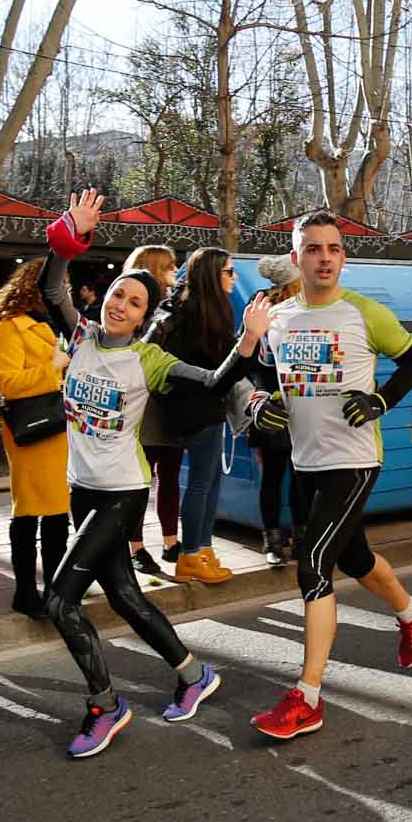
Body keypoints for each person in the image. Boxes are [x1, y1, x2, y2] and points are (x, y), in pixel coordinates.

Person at [32, 195, 260, 756]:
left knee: (60, 601)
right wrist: (70, 236)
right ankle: (193, 675)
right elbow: (51, 288)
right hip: (82, 488)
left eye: (135, 302)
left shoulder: (148, 360)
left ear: (143, 315)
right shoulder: (82, 335)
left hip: (122, 493)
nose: (122, 306)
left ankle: (105, 706)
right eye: (117, 295)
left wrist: (249, 341)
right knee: (126, 595)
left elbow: (211, 381)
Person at [241, 211, 412, 740]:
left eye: (332, 248)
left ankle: (307, 696)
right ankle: (410, 609)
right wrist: (260, 402)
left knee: (312, 563)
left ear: (343, 257)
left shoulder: (365, 313)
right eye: (313, 249)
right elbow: (262, 375)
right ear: (295, 258)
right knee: (353, 556)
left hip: (353, 460)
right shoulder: (279, 318)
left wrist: (378, 400)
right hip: (304, 459)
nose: (324, 257)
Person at [0, 260, 73, 619]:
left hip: (58, 427)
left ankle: (55, 589)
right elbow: (5, 381)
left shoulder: (56, 324)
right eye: (60, 282)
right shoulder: (10, 327)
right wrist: (52, 367)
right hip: (31, 428)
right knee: (28, 511)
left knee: (57, 513)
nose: (65, 289)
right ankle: (24, 591)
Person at [149, 247, 239, 586]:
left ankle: (202, 549)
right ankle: (192, 554)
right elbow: (222, 366)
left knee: (210, 479)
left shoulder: (192, 308)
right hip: (198, 407)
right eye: (229, 272)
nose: (234, 278)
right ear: (213, 275)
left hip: (193, 406)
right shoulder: (203, 313)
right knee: (203, 481)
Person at [122, 245, 182, 575]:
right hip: (142, 407)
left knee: (169, 475)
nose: (176, 273)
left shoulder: (174, 307)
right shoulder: (135, 309)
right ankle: (136, 546)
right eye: (170, 267)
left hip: (170, 405)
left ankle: (171, 541)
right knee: (139, 481)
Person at [250, 255, 302, 565]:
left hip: (279, 402)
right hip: (275, 403)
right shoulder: (269, 310)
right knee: (290, 476)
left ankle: (280, 541)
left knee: (279, 476)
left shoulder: (263, 306)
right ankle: (287, 539)